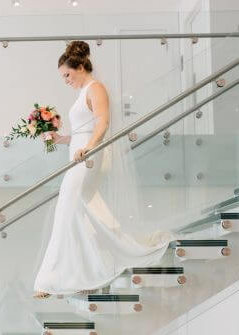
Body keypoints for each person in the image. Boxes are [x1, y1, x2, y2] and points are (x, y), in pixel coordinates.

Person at [33, 40, 171, 298]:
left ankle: (50, 279)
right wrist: (59, 138)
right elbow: (80, 132)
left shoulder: (95, 88)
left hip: (90, 156)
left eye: (67, 75)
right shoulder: (82, 92)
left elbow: (103, 122)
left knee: (66, 208)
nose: (65, 80)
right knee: (87, 212)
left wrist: (90, 147)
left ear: (80, 67)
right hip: (82, 153)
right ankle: (94, 269)